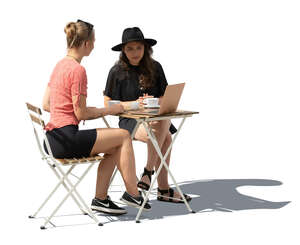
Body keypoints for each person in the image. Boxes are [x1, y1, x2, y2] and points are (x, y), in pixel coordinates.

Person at [42, 20, 151, 215]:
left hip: (52, 139)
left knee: (114, 144)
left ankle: (101, 199)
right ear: (85, 44)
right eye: (93, 41)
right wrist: (109, 110)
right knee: (124, 136)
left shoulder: (60, 65)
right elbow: (81, 113)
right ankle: (133, 193)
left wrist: (77, 109)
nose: (94, 45)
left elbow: (46, 104)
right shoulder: (78, 70)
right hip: (66, 139)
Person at [103, 27, 191, 203]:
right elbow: (107, 103)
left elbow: (165, 95)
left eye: (138, 48)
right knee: (164, 136)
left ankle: (148, 174)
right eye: (130, 48)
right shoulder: (116, 72)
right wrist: (136, 104)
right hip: (130, 120)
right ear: (123, 51)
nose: (135, 52)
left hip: (155, 117)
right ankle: (161, 186)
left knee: (163, 129)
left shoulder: (155, 67)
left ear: (145, 48)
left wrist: (154, 101)